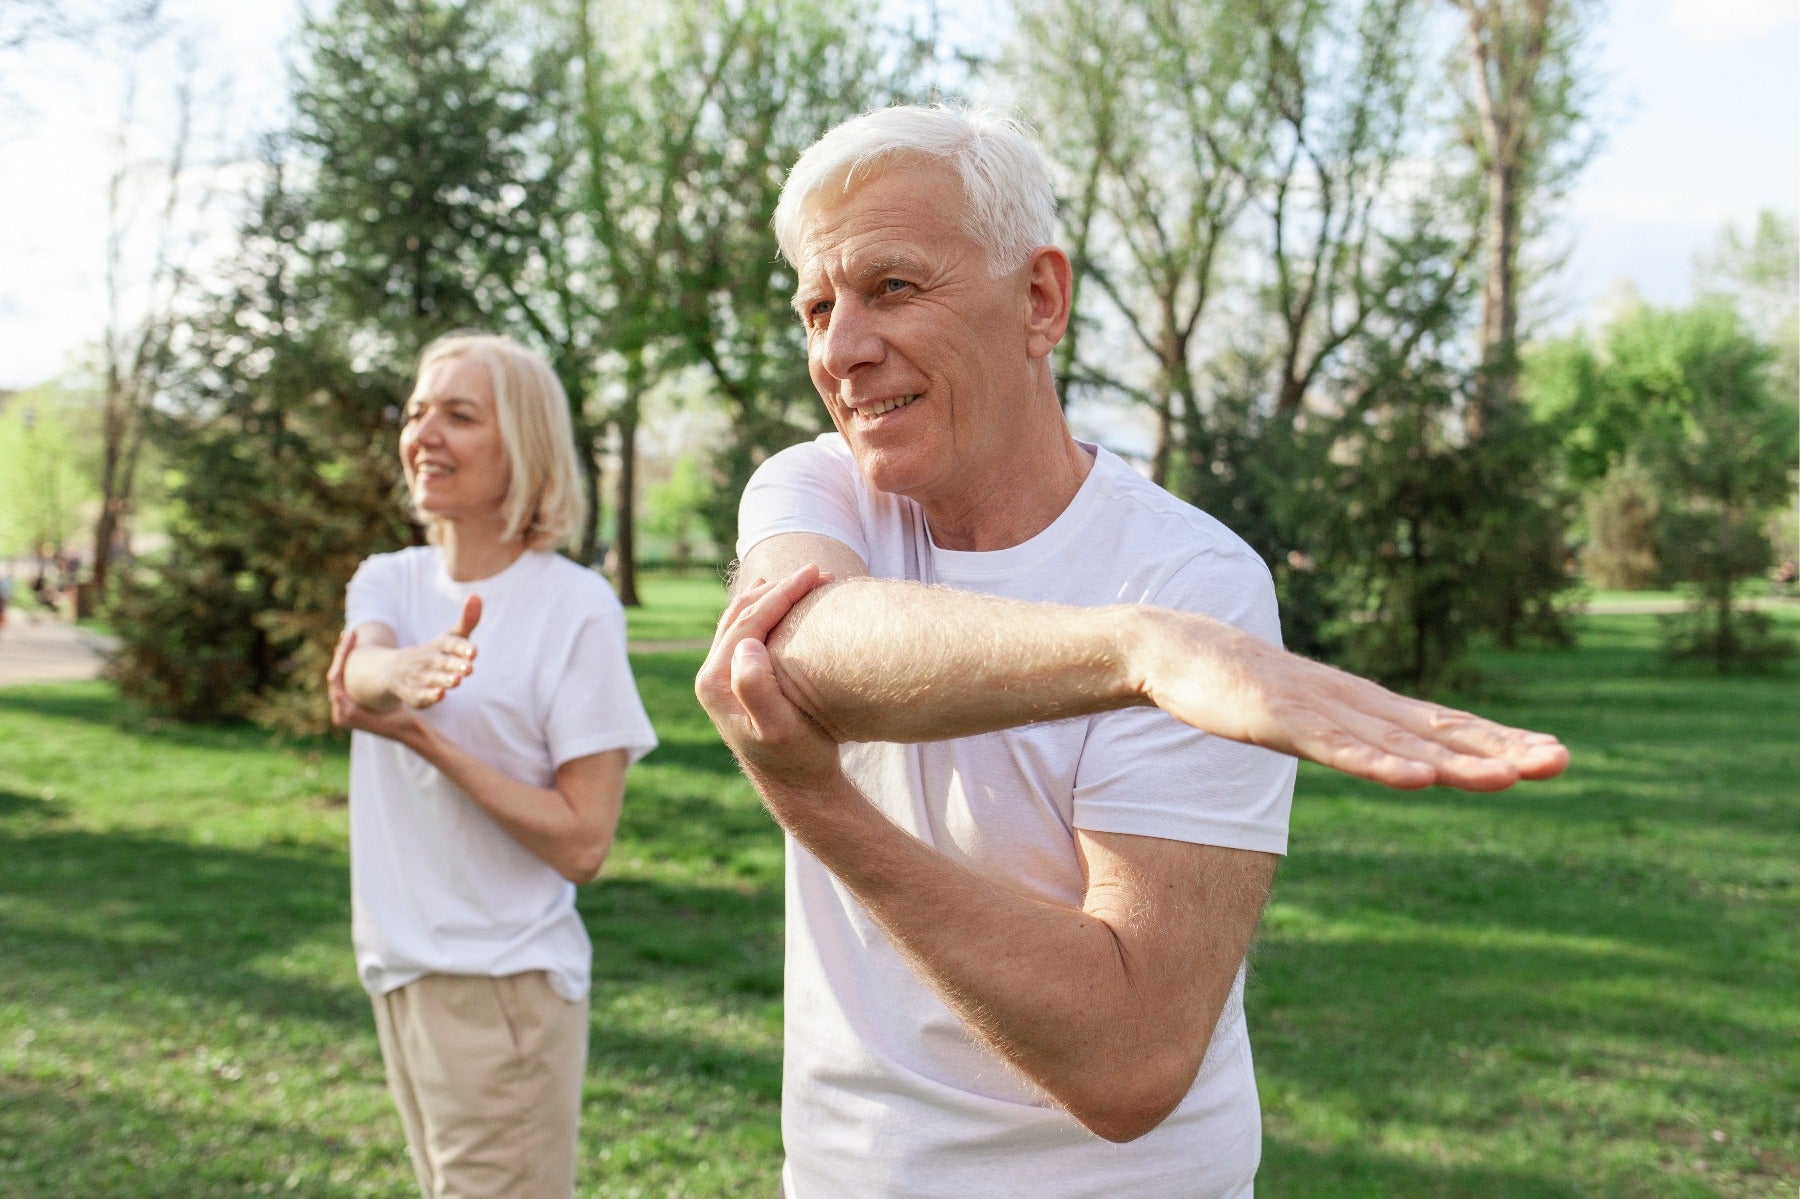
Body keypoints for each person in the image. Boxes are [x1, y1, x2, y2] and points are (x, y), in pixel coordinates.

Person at [694, 106, 1569, 1198]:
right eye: (818, 307)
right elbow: (803, 646)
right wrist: (1137, 650)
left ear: (1040, 299)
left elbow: (1129, 1058)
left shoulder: (1195, 580)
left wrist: (817, 802)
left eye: (894, 286)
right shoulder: (823, 487)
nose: (840, 349)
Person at [325, 332, 657, 1199]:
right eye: (416, 413)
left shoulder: (575, 607)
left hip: (501, 987)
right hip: (400, 967)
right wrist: (402, 673)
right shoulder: (389, 579)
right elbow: (361, 668)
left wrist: (431, 741)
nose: (424, 434)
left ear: (525, 444)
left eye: (459, 415)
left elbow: (584, 841)